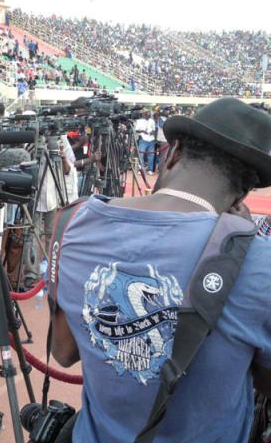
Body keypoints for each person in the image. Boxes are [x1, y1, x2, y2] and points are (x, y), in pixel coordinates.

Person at [50, 98, 271, 442]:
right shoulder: (259, 259)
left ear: (173, 153)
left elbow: (63, 353)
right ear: (242, 193)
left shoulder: (73, 223)